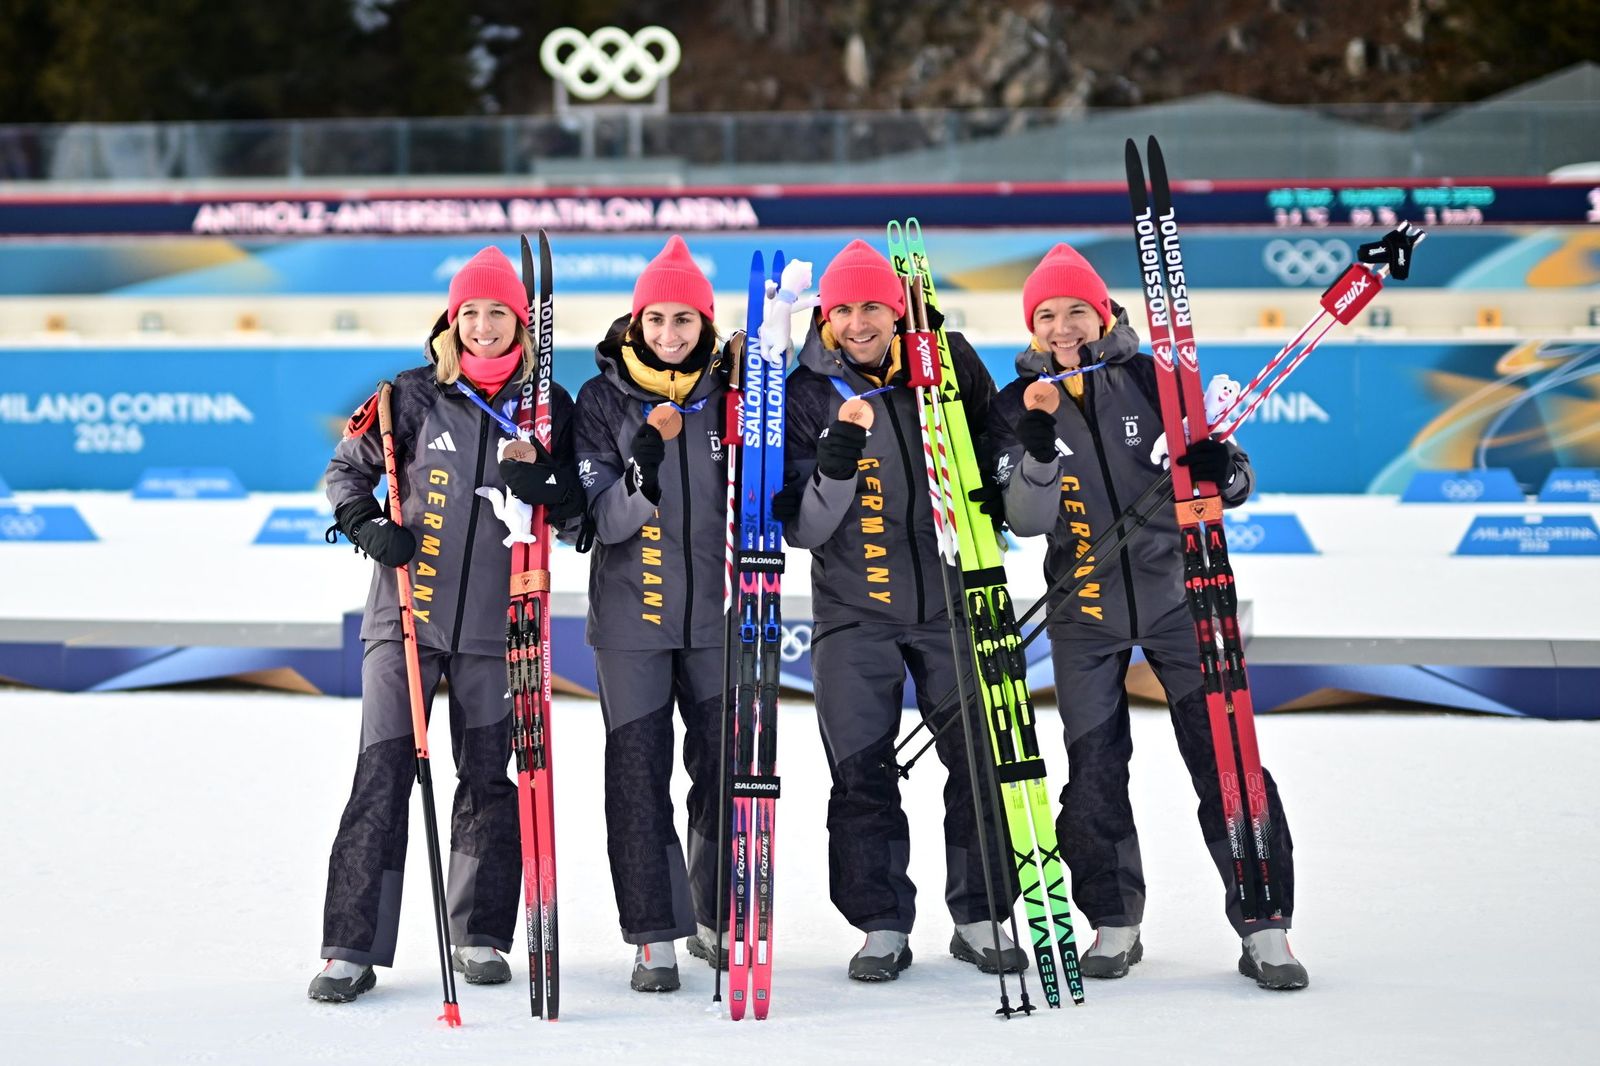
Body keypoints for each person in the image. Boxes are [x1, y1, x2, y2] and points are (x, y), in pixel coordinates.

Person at [987, 243, 1307, 990]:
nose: (1063, 326)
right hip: (1084, 613)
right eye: (1046, 314)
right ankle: (1114, 919)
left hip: (1181, 600)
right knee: (1094, 775)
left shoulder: (1154, 377)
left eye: (1076, 310)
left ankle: (1266, 926)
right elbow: (1027, 521)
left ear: (1102, 312)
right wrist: (1036, 452)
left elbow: (1232, 471)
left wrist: (1226, 475)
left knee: (1228, 762)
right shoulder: (1012, 405)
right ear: (1030, 325)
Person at [309, 246, 585, 1003]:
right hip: (405, 620)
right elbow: (343, 472)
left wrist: (549, 483)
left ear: (522, 324)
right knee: (382, 775)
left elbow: (576, 510)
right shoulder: (409, 395)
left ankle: (482, 933)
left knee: (490, 780)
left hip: (501, 632)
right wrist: (366, 524)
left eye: (499, 312)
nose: (484, 326)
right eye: (471, 312)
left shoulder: (548, 406)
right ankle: (349, 946)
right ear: (452, 320)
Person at [774, 238, 1026, 981]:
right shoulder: (804, 392)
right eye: (845, 307)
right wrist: (835, 467)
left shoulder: (949, 361)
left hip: (953, 597)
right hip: (855, 610)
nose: (859, 321)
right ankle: (880, 923)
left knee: (978, 762)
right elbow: (801, 528)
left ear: (896, 307)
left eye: (873, 306)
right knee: (861, 772)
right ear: (826, 315)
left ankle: (980, 914)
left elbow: (999, 446)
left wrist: (1010, 479)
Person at [572, 236, 743, 993]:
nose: (669, 334)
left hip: (717, 617)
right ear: (634, 323)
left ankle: (714, 913)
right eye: (656, 320)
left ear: (704, 325)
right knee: (637, 778)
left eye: (684, 320)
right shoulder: (600, 399)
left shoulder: (736, 389)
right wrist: (644, 459)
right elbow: (602, 520)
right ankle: (653, 936)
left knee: (723, 771)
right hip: (631, 622)